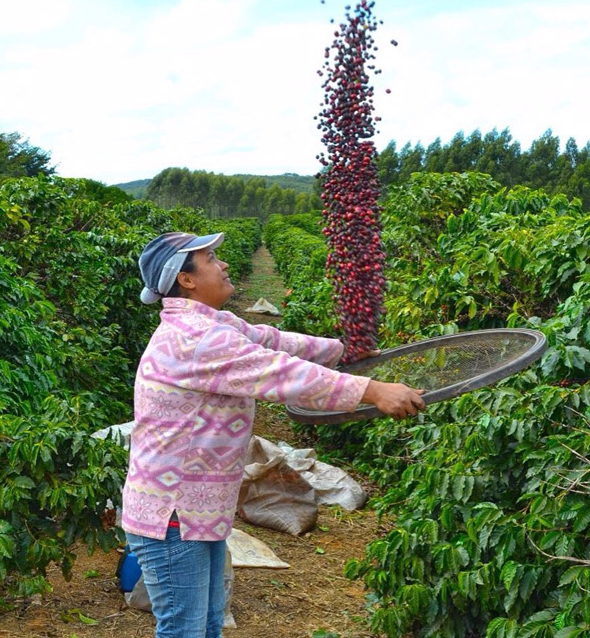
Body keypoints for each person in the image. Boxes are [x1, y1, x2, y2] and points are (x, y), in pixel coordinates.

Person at [121, 231, 426, 638]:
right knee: (184, 630)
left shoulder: (210, 323)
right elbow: (281, 371)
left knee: (207, 625)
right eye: (211, 258)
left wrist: (339, 351)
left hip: (198, 509)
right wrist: (371, 390)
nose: (224, 263)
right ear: (187, 279)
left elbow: (272, 340)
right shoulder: (195, 338)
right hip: (174, 515)